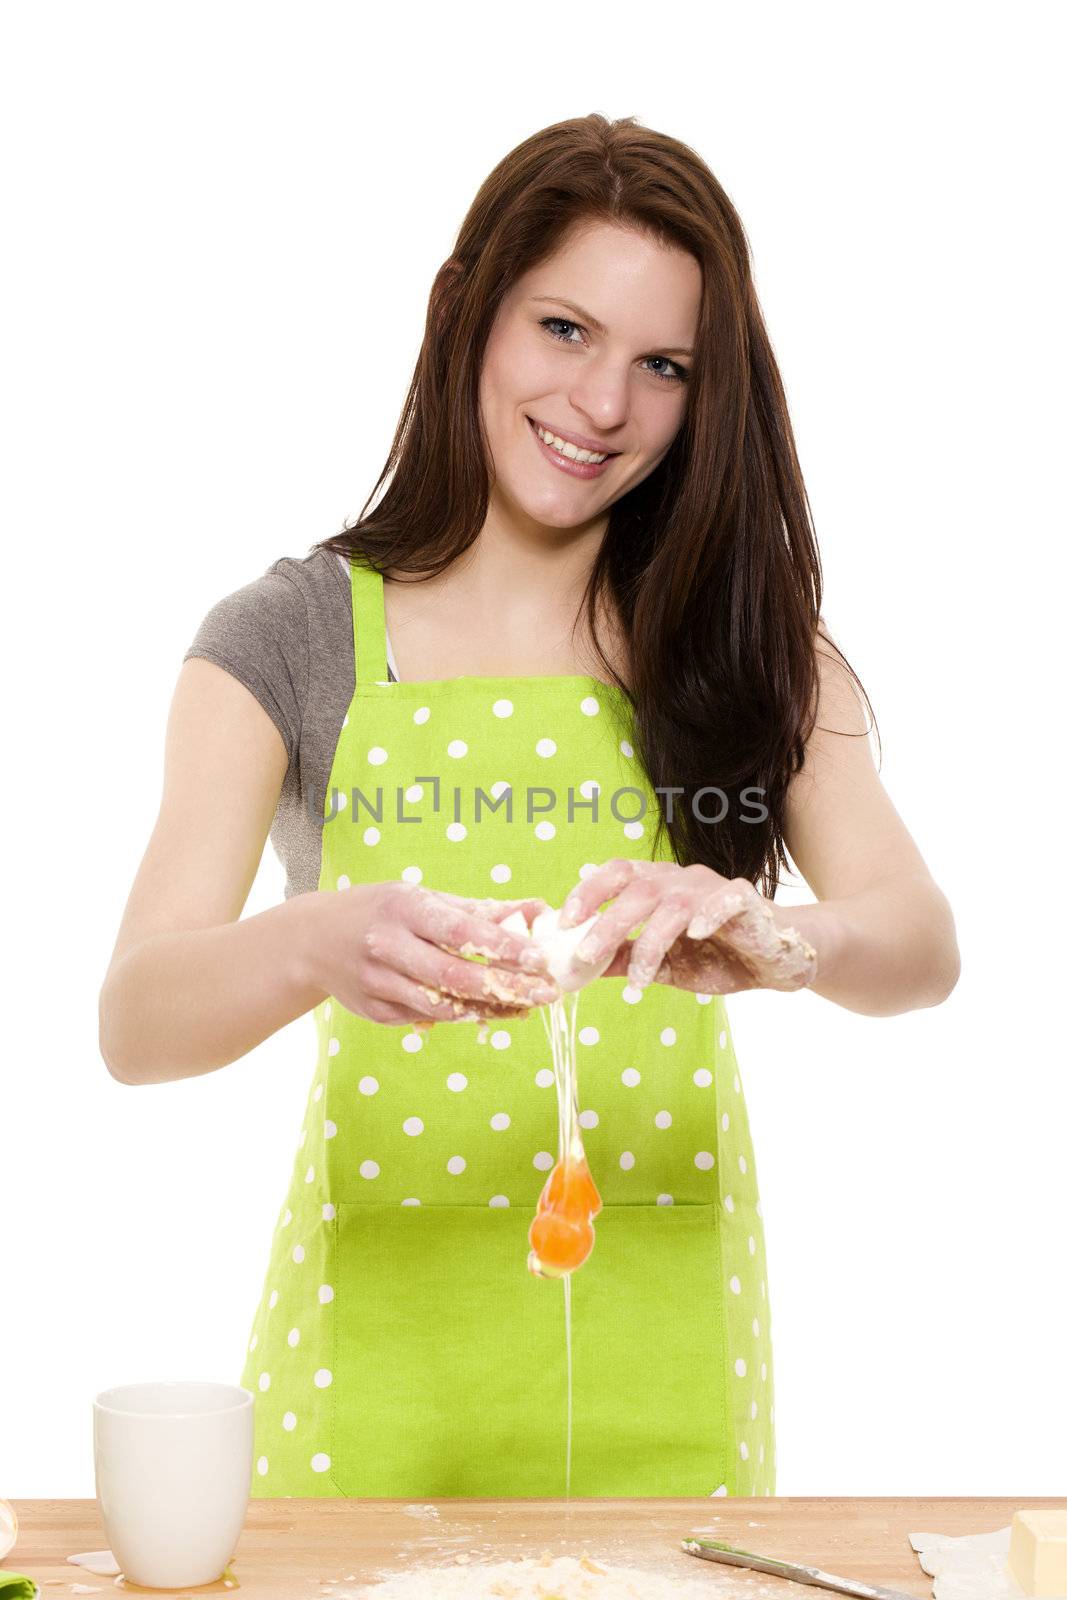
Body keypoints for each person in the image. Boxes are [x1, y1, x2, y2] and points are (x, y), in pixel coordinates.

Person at [98, 112, 960, 1500]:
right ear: (467, 313)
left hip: (670, 1384)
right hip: (373, 1392)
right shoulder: (292, 639)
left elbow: (919, 941)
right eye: (564, 330)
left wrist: (776, 936)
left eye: (662, 365)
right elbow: (135, 1022)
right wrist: (316, 939)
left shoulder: (746, 643)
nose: (603, 404)